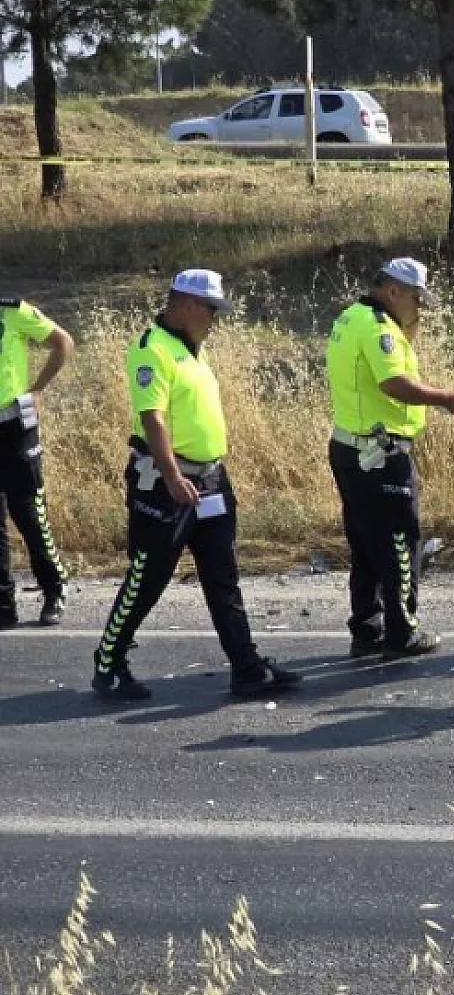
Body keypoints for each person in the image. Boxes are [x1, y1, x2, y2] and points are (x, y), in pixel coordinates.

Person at [92, 269, 300, 702]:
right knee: (147, 576)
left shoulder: (191, 347)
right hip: (166, 483)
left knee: (222, 575)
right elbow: (153, 418)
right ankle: (109, 663)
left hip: (209, 480)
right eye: (211, 309)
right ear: (187, 305)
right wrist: (171, 475)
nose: (215, 318)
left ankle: (247, 667)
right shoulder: (153, 350)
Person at [326, 258, 454, 660]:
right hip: (381, 453)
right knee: (398, 541)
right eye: (416, 297)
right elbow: (395, 383)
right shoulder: (379, 329)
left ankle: (367, 627)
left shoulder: (353, 317)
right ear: (393, 290)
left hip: (351, 447)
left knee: (365, 543)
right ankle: (402, 631)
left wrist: (408, 324)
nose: (420, 306)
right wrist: (447, 398)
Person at [0, 296, 72, 628]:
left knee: (28, 510)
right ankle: (4, 603)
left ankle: (54, 587)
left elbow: (62, 343)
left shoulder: (13, 311)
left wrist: (39, 389)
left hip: (15, 426)